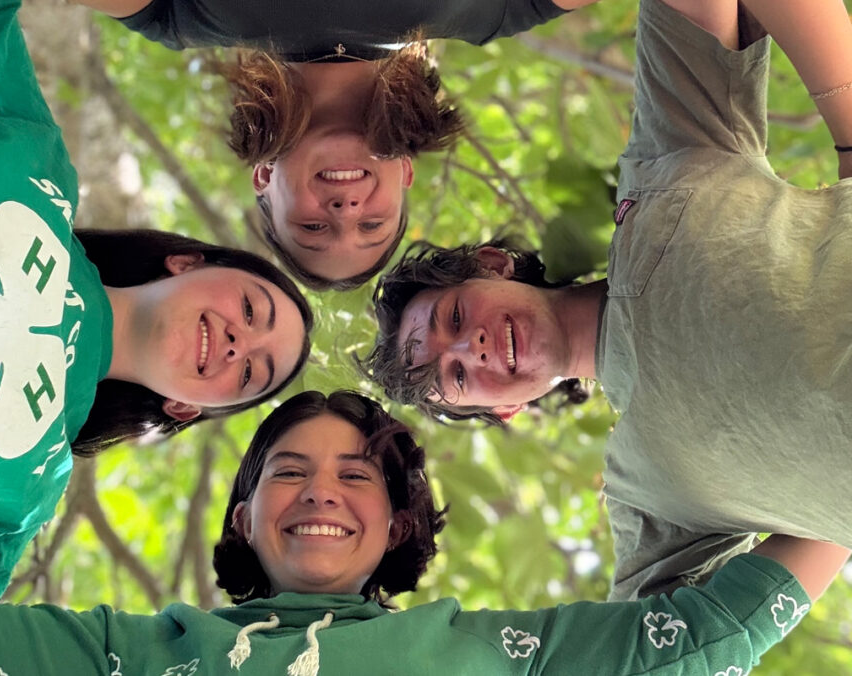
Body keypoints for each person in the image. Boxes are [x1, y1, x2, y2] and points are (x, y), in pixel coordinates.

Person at [365, 0, 852, 601]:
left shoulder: (661, 171)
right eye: (458, 375)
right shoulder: (650, 496)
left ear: (493, 265)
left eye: (454, 318)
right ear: (507, 412)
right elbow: (663, 652)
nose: (473, 347)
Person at [0, 0, 313, 602]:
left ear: (186, 409)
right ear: (189, 262)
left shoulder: (17, 503)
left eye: (250, 373)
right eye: (251, 309)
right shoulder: (36, 168)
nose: (241, 343)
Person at [0, 390, 847, 676]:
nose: (322, 493)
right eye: (291, 471)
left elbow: (709, 633)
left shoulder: (493, 656)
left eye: (355, 475)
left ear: (396, 521)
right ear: (244, 517)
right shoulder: (133, 654)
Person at [48, 0, 599, 289]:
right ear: (405, 174)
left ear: (263, 175)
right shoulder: (502, 10)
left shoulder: (177, 16)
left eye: (313, 227)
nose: (344, 212)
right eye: (371, 225)